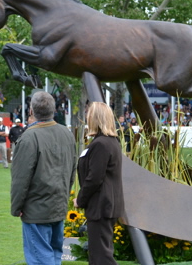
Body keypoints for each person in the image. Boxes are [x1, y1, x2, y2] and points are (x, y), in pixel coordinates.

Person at [11, 91, 77, 265]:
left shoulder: (29, 137)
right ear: (53, 110)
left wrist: (17, 207)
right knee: (54, 255)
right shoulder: (66, 134)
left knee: (41, 258)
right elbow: (72, 170)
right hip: (57, 203)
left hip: (37, 209)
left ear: (31, 111)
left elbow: (20, 178)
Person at [73, 102, 125, 265]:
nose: (87, 118)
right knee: (98, 255)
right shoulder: (110, 142)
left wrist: (80, 199)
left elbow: (94, 178)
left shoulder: (100, 144)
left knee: (101, 257)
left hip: (101, 206)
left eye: (89, 115)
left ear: (95, 119)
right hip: (106, 205)